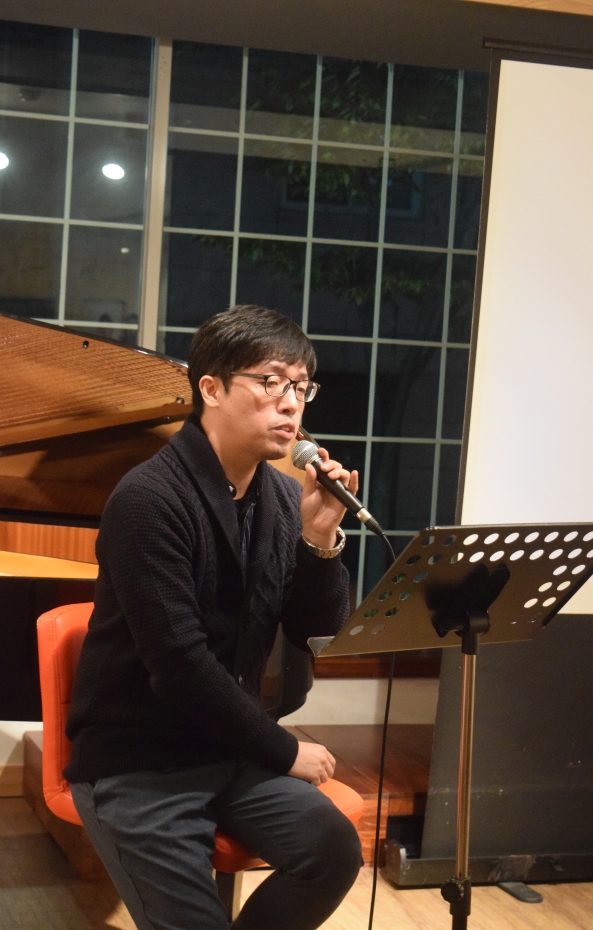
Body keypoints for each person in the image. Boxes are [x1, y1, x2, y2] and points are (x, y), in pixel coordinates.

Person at [64, 305, 363, 930]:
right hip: (139, 760)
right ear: (212, 388)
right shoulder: (149, 499)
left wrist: (318, 540)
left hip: (227, 748)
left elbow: (313, 628)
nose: (291, 403)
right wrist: (283, 749)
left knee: (332, 850)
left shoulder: (281, 496)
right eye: (271, 381)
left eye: (301, 387)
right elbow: (180, 665)